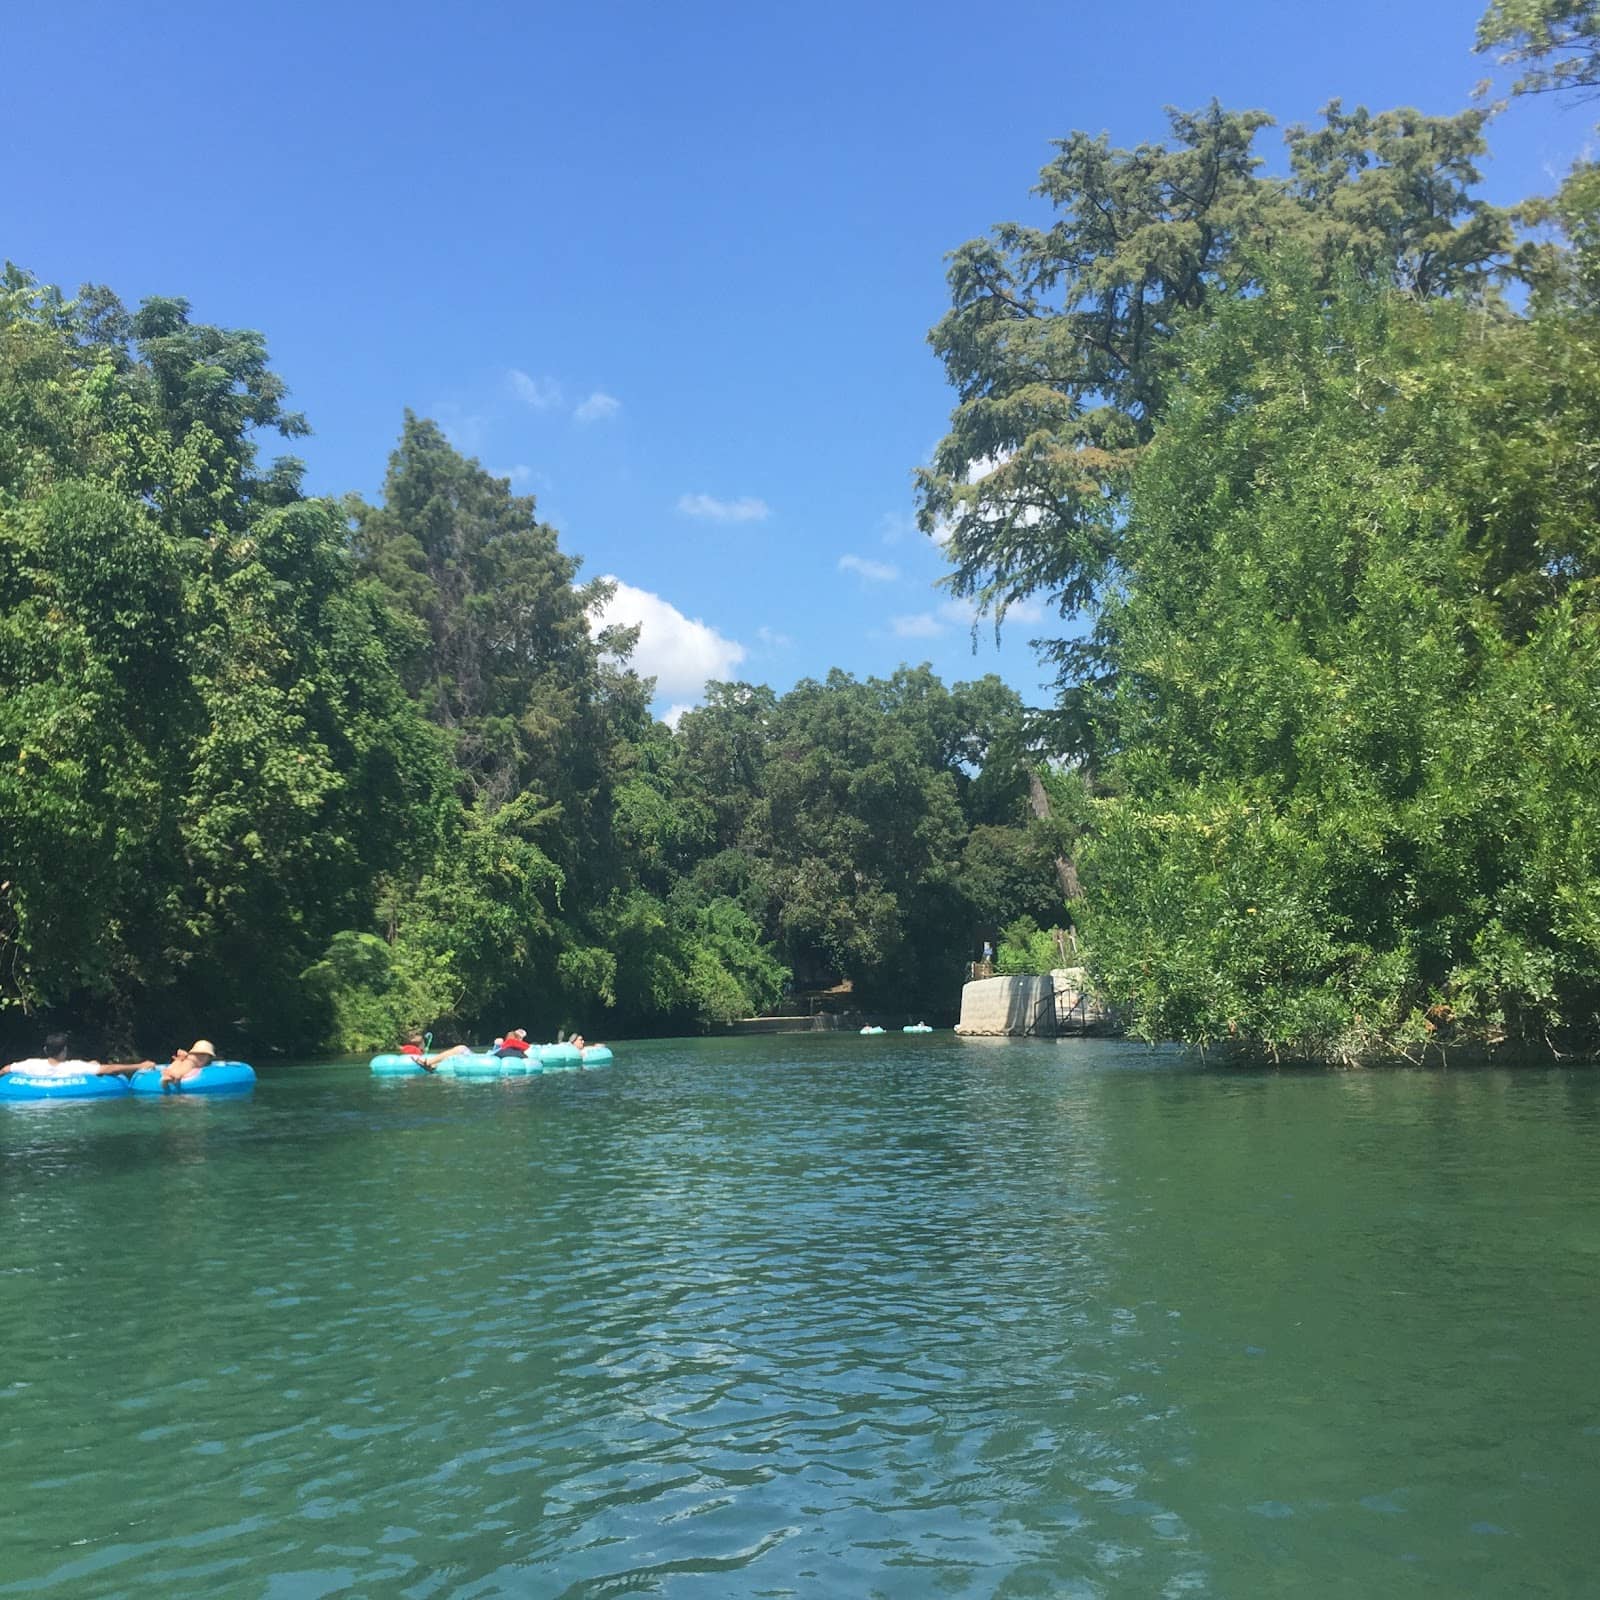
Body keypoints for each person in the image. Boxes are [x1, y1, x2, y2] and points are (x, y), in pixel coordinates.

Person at [1, 1032, 153, 1078]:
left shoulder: (30, 1065)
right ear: (65, 1050)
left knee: (93, 1064)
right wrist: (140, 1065)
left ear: (46, 1050)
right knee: (94, 1065)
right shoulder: (74, 1067)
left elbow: (5, 1069)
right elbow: (109, 1069)